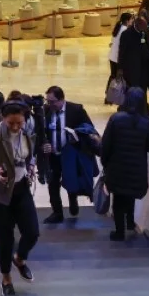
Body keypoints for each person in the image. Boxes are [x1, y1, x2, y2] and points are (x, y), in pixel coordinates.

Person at [0, 98, 40, 296]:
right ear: (2, 118)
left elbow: (30, 154)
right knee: (6, 238)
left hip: (20, 188)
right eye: (11, 122)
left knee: (32, 232)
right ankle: (6, 278)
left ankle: (19, 259)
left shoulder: (27, 130)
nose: (15, 127)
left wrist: (30, 165)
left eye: (19, 122)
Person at [100, 87, 149, 240]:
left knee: (118, 200)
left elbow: (105, 144)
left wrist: (105, 163)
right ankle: (130, 223)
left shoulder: (116, 119)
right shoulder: (146, 122)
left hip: (117, 167)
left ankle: (119, 232)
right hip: (137, 168)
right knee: (130, 195)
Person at [39, 86, 96, 223]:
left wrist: (77, 136)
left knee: (71, 180)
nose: (49, 104)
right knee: (53, 184)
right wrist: (44, 145)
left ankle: (73, 199)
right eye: (47, 101)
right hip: (53, 156)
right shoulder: (45, 111)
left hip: (70, 155)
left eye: (52, 101)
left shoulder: (76, 110)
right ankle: (57, 213)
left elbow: (90, 128)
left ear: (61, 99)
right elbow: (40, 134)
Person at [119, 14, 149, 119]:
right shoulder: (126, 34)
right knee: (131, 91)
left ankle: (144, 111)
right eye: (141, 29)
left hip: (144, 68)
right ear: (136, 25)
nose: (143, 30)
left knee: (143, 90)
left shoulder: (145, 32)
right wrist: (120, 68)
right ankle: (127, 110)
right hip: (131, 69)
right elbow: (122, 52)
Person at [108, 12, 133, 80]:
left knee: (113, 76)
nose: (132, 20)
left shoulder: (118, 28)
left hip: (112, 56)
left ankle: (109, 87)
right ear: (127, 21)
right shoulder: (125, 30)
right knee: (118, 79)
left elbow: (112, 42)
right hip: (118, 58)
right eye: (131, 19)